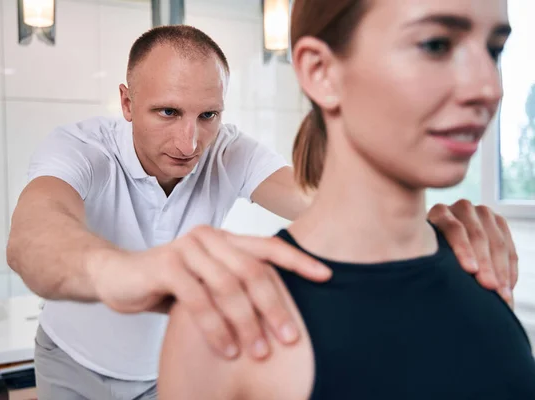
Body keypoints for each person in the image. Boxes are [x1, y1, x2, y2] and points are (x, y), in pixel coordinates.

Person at [7, 23, 520, 400]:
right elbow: (33, 238)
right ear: (125, 102)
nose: (190, 142)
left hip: (160, 374)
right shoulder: (81, 148)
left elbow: (320, 205)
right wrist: (132, 269)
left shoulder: (227, 150)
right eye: (168, 112)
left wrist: (410, 227)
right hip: (71, 362)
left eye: (208, 115)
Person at [157, 1, 535, 399]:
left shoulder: (484, 265)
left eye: (494, 50)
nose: (488, 88)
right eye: (436, 45)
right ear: (320, 72)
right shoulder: (222, 323)